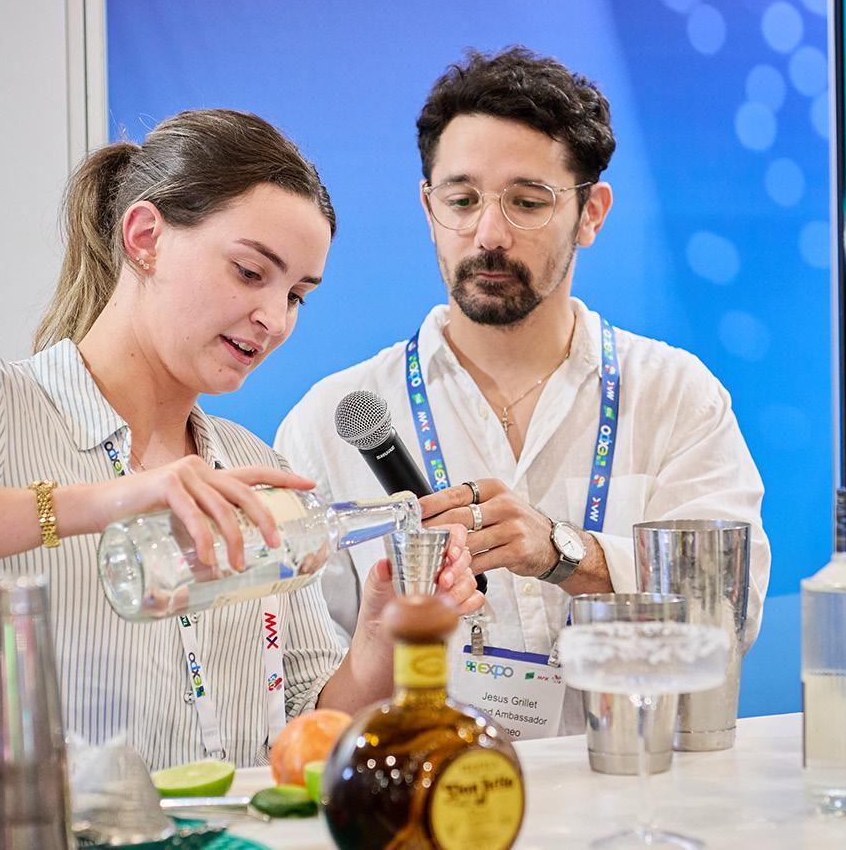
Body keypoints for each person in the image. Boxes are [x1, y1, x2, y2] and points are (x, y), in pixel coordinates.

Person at [0, 108, 481, 769]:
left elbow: (306, 735)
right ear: (145, 237)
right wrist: (101, 502)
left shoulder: (254, 465)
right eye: (249, 271)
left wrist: (379, 641)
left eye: (296, 295)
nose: (274, 319)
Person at [275, 48, 769, 735]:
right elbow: (306, 712)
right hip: (430, 794)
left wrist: (566, 553)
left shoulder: (674, 395)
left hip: (633, 785)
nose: (489, 234)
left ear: (591, 213)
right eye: (461, 201)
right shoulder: (329, 422)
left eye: (527, 202)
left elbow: (728, 617)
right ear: (428, 208)